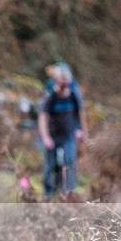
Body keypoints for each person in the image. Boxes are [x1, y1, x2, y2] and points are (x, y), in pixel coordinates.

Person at [38, 66, 88, 198]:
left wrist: (80, 130)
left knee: (70, 160)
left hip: (68, 135)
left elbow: (79, 114)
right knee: (51, 165)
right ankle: (49, 192)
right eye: (62, 83)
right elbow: (43, 118)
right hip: (53, 136)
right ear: (57, 82)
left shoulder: (73, 94)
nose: (65, 87)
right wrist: (46, 137)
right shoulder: (50, 96)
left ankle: (71, 191)